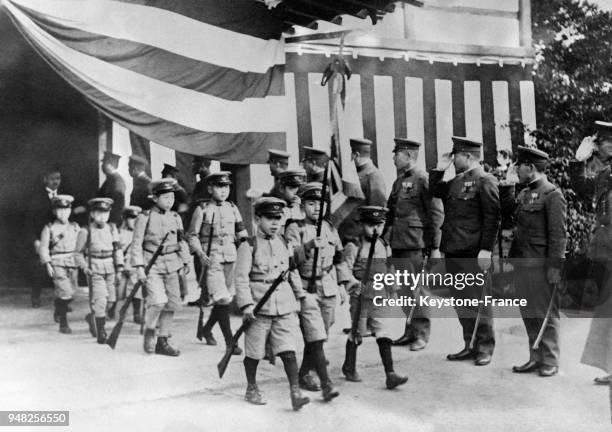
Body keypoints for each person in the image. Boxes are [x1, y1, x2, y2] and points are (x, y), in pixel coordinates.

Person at [429, 136, 500, 366]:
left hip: (473, 251)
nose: (453, 159)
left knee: (479, 301)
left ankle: (485, 348)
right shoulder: (455, 181)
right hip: (453, 249)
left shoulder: (485, 180)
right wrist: (440, 168)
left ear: (468, 156)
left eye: (456, 155)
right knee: (461, 302)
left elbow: (492, 218)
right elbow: (435, 190)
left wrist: (486, 250)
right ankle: (469, 344)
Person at [234, 197, 310, 410]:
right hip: (259, 306)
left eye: (278, 218)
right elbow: (241, 278)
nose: (275, 223)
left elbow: (291, 270)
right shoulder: (248, 245)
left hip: (283, 304)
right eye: (269, 218)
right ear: (258, 219)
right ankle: (251, 387)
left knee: (288, 348)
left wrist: (299, 295)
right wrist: (246, 305)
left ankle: (295, 392)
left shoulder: (284, 241)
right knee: (255, 351)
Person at [503, 147, 567, 377]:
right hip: (522, 263)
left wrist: (554, 267)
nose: (516, 170)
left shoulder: (552, 194)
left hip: (540, 265)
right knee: (528, 312)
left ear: (530, 167)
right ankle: (535, 356)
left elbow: (558, 235)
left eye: (519, 166)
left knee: (545, 313)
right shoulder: (523, 194)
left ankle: (550, 359)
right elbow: (506, 211)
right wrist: (508, 185)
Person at [286, 182, 349, 390]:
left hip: (328, 284)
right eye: (311, 203)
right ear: (303, 205)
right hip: (307, 286)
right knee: (314, 335)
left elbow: (339, 257)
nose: (316, 208)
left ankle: (305, 371)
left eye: (320, 204)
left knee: (323, 333)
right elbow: (290, 258)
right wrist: (309, 245)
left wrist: (343, 283)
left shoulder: (330, 227)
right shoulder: (296, 227)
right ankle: (314, 376)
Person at [385, 138, 443, 351]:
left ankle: (421, 334)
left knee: (419, 290)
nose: (393, 157)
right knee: (404, 291)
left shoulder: (423, 179)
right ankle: (409, 331)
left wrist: (435, 246)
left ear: (409, 155)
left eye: (397, 153)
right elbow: (391, 213)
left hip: (415, 244)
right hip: (399, 243)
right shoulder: (399, 182)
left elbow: (435, 213)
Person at [342, 206, 409, 389]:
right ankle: (349, 366)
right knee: (358, 332)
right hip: (361, 295)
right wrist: (353, 284)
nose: (375, 229)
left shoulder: (383, 244)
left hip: (379, 294)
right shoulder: (353, 245)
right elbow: (345, 269)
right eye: (371, 225)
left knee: (383, 330)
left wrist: (393, 287)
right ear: (362, 224)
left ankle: (390, 373)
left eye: (379, 225)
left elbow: (389, 267)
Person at [187, 172, 248, 355]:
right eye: (219, 187)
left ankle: (206, 329)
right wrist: (199, 252)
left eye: (226, 187)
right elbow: (192, 235)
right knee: (222, 299)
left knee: (225, 300)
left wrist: (246, 251)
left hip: (231, 258)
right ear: (210, 189)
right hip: (211, 258)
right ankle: (230, 342)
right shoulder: (202, 209)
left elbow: (241, 233)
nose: (223, 191)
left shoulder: (232, 208)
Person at [131, 179, 190, 356]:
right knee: (158, 301)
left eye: (172, 197)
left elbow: (181, 240)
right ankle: (150, 329)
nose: (170, 201)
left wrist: (185, 261)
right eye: (165, 197)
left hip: (172, 263)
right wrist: (139, 267)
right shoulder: (145, 217)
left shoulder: (175, 217)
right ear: (155, 198)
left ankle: (162, 341)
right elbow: (136, 244)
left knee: (171, 304)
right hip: (152, 264)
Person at [75, 198, 124, 344]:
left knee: (111, 301)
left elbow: (117, 249)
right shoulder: (85, 231)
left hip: (110, 267)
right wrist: (85, 267)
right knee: (101, 300)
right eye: (98, 213)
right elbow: (78, 253)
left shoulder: (112, 228)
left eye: (105, 213)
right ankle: (101, 331)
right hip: (95, 268)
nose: (102, 217)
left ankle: (93, 317)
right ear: (92, 214)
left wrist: (120, 267)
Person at [38, 195, 80, 334]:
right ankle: (63, 323)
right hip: (57, 263)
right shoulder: (49, 228)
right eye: (59, 210)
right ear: (54, 211)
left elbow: (81, 245)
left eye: (66, 210)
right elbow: (43, 247)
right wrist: (47, 263)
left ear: (70, 211)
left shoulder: (75, 227)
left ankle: (58, 307)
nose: (63, 213)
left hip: (73, 262)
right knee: (65, 292)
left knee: (71, 292)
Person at [25, 167, 63, 307]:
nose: (55, 182)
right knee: (39, 269)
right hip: (42, 239)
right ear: (45, 179)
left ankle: (62, 300)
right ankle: (36, 297)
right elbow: (29, 221)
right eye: (52, 178)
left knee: (61, 269)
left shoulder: (63, 196)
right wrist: (35, 240)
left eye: (58, 178)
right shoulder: (36, 198)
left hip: (59, 239)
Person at [338, 138, 387, 244]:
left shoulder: (374, 176)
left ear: (356, 155)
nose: (351, 158)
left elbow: (376, 213)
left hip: (360, 238)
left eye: (352, 154)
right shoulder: (357, 173)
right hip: (350, 234)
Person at [114, 205, 143, 324]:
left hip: (135, 266)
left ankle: (136, 313)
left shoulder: (141, 233)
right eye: (131, 218)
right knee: (119, 292)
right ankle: (113, 310)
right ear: (125, 219)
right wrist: (119, 266)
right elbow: (117, 250)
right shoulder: (119, 233)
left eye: (136, 218)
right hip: (122, 265)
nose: (134, 221)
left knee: (136, 291)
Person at [97, 152, 126, 226]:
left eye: (104, 163)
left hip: (111, 223)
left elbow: (118, 206)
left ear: (111, 165)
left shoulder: (117, 182)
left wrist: (112, 223)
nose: (102, 166)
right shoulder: (109, 180)